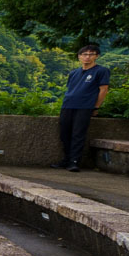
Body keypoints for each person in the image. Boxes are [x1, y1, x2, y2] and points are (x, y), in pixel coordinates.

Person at [55, 44, 111, 172]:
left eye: (91, 54)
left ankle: (74, 161)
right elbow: (70, 88)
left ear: (96, 56)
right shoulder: (74, 72)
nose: (87, 57)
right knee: (64, 133)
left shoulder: (101, 71)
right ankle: (66, 159)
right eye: (84, 54)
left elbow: (103, 90)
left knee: (78, 134)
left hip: (85, 106)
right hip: (68, 105)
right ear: (79, 57)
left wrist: (96, 107)